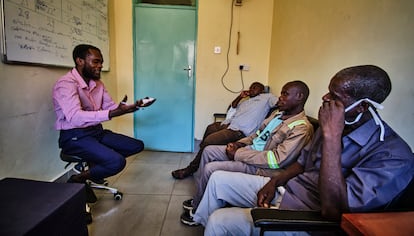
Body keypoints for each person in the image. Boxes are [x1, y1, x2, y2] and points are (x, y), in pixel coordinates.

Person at [192, 65, 414, 236]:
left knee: (220, 221)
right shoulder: (313, 122)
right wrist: (274, 183)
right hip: (288, 190)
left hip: (308, 216)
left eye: (335, 97)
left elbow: (334, 212)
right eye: (328, 92)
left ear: (363, 106)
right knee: (218, 178)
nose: (325, 98)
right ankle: (198, 220)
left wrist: (332, 138)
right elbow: (302, 163)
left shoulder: (392, 155)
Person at [180, 81, 314, 226]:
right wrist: (241, 143)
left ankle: (200, 215)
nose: (280, 97)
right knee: (208, 150)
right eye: (281, 93)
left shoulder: (301, 128)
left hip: (262, 167)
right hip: (248, 151)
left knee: (210, 169)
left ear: (299, 97)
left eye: (285, 94)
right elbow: (257, 134)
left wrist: (238, 153)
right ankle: (200, 200)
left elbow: (276, 160)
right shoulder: (277, 115)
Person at [52, 44, 155, 193]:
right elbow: (75, 117)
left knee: (136, 145)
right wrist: (114, 113)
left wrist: (133, 106)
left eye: (101, 62)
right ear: (80, 61)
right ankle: (78, 179)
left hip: (96, 132)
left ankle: (94, 169)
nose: (100, 66)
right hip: (75, 136)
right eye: (96, 61)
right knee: (117, 162)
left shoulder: (97, 84)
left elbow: (111, 108)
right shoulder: (65, 84)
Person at [172, 82, 277, 179]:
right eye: (250, 87)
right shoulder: (247, 101)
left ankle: (191, 169)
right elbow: (232, 107)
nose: (251, 89)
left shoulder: (267, 98)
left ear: (262, 91)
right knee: (210, 128)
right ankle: (202, 154)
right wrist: (240, 96)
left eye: (255, 87)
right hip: (229, 124)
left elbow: (278, 103)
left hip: (239, 131)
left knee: (210, 140)